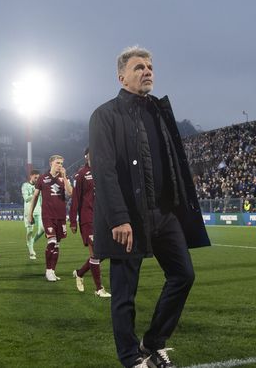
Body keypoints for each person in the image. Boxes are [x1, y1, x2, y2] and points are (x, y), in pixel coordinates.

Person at [89, 46, 210, 367]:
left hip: (164, 212)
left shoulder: (158, 110)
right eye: (139, 67)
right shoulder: (104, 115)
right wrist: (118, 217)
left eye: (150, 67)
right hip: (129, 217)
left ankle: (152, 342)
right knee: (124, 293)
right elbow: (104, 170)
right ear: (121, 76)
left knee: (183, 275)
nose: (148, 71)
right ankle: (131, 359)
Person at [69, 148, 111, 297]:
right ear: (86, 156)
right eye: (90, 153)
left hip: (103, 218)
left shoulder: (104, 171)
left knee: (103, 252)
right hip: (88, 219)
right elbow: (75, 198)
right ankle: (99, 289)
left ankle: (80, 273)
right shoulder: (81, 174)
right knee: (96, 252)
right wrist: (73, 220)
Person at [27, 155, 72, 281]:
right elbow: (35, 197)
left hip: (61, 217)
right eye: (57, 163)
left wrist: (64, 177)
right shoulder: (42, 178)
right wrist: (30, 214)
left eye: (61, 163)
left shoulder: (63, 179)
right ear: (51, 163)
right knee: (51, 242)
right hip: (48, 216)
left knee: (57, 245)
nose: (60, 165)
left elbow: (70, 193)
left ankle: (52, 270)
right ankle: (48, 270)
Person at [22, 170, 45, 260]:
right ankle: (31, 251)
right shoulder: (25, 185)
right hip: (29, 211)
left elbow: (42, 199)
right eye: (35, 177)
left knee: (42, 229)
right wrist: (35, 193)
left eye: (38, 178)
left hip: (39, 211)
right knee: (30, 231)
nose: (37, 179)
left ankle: (31, 242)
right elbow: (26, 198)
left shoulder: (40, 186)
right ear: (31, 176)